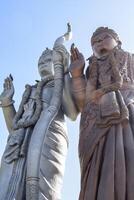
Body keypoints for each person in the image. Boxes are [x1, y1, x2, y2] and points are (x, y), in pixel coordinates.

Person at [0, 26, 78, 200]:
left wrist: (64, 73)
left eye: (48, 60)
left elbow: (72, 113)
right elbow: (14, 127)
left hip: (49, 137)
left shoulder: (60, 82)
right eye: (40, 62)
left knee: (42, 190)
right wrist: (7, 103)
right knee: (8, 187)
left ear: (57, 61)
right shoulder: (30, 90)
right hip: (18, 144)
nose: (43, 63)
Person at [69, 27, 134, 200]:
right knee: (98, 175)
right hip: (94, 124)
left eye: (104, 38)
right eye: (94, 42)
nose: (98, 43)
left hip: (126, 112)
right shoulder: (91, 69)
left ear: (118, 41)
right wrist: (77, 74)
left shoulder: (129, 58)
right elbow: (82, 103)